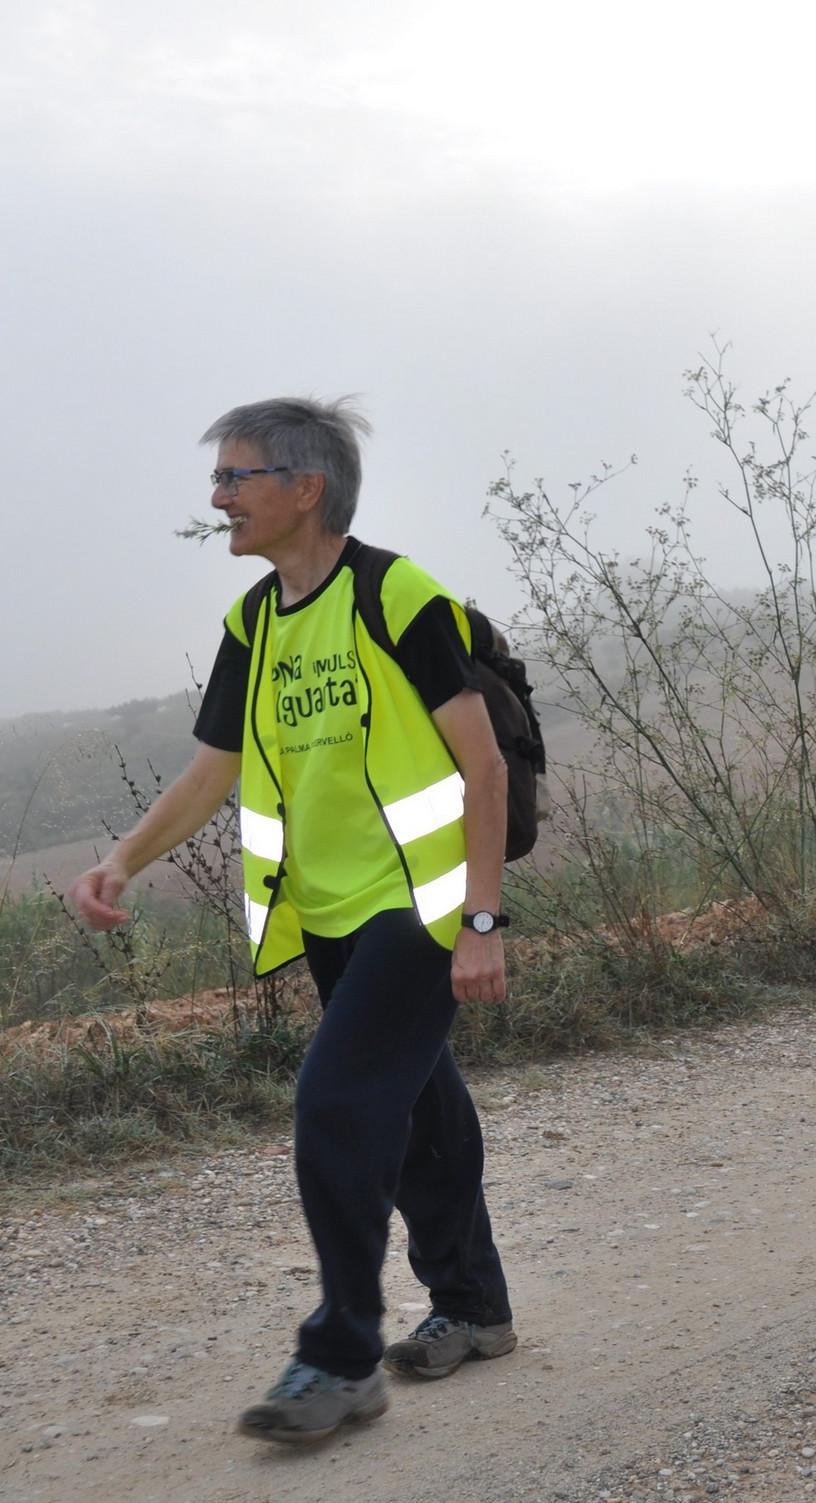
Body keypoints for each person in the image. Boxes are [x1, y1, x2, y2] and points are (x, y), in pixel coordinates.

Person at [71, 398, 516, 1444]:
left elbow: (484, 765)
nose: (218, 497)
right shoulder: (255, 623)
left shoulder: (396, 595)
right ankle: (476, 1306)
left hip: (419, 904)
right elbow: (211, 772)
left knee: (337, 1102)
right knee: (418, 1107)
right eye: (220, 478)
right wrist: (122, 860)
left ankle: (341, 1356)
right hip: (323, 912)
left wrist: (482, 920)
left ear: (305, 488)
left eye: (236, 477)